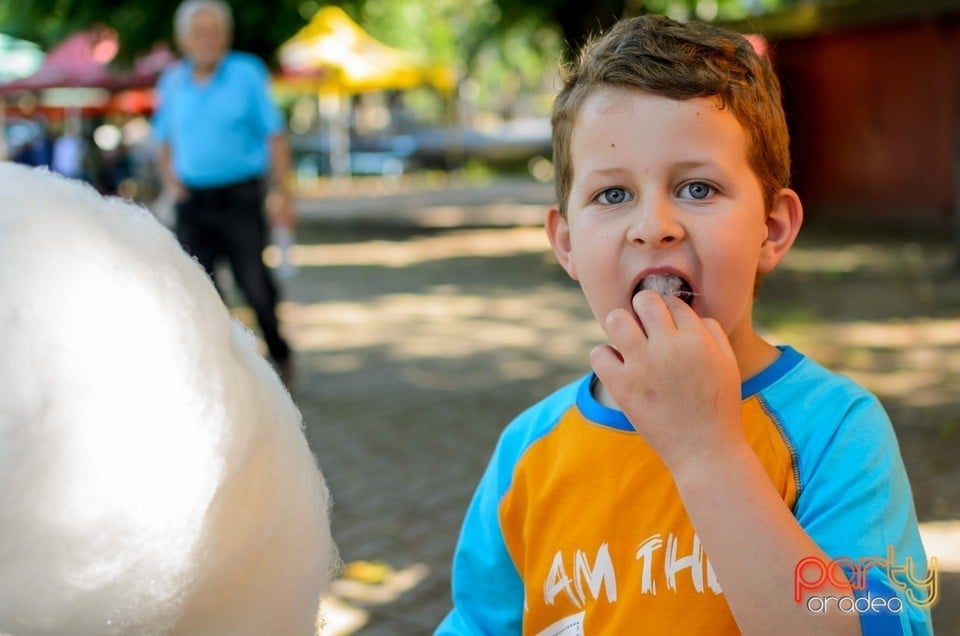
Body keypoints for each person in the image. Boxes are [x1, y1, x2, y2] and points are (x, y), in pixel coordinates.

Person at [438, 15, 933, 636]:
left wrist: (707, 448)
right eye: (613, 195)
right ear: (566, 243)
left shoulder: (837, 430)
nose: (654, 226)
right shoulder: (528, 453)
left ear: (772, 229)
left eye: (697, 187)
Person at [152, 0, 296, 385]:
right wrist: (171, 182)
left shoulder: (246, 72)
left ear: (225, 35)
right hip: (193, 203)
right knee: (202, 292)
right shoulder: (173, 80)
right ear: (185, 39)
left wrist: (284, 194)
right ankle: (220, 373)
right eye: (198, 32)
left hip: (241, 199)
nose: (207, 39)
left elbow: (275, 136)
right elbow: (161, 139)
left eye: (214, 31)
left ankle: (281, 355)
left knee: (254, 286)